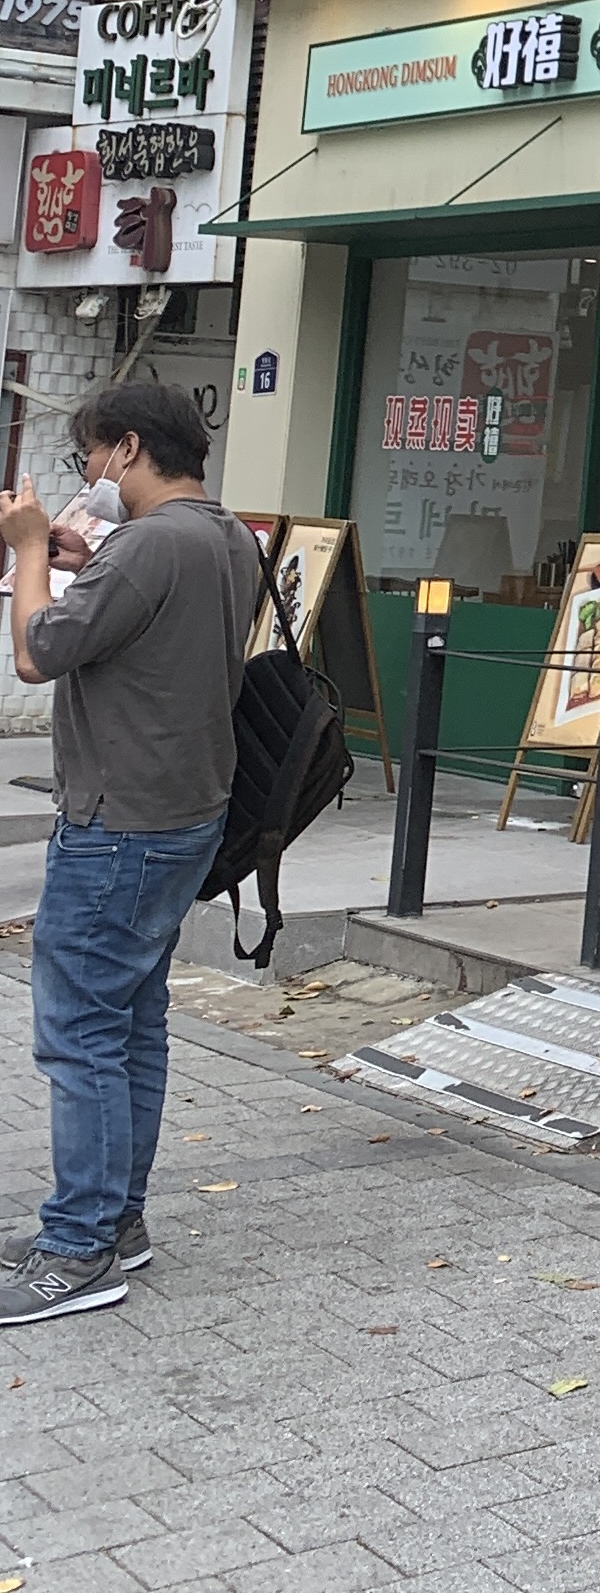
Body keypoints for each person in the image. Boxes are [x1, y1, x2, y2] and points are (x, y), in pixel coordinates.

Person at [0, 382, 260, 1324]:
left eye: (90, 455)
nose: (88, 472)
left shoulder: (149, 544)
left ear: (129, 448)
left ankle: (78, 1249)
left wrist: (31, 549)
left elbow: (37, 652)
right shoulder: (226, 535)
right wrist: (81, 557)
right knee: (130, 1025)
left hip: (119, 822)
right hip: (184, 812)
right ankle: (116, 1222)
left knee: (79, 1032)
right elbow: (144, 620)